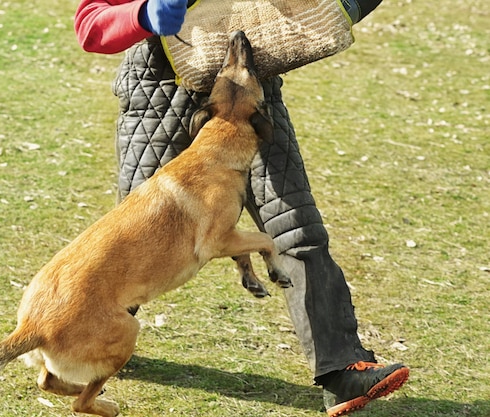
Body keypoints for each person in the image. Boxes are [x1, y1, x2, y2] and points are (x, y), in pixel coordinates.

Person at [74, 0, 409, 415]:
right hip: (158, 96)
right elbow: (89, 26)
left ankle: (342, 371)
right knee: (133, 237)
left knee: (295, 230)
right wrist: (144, 13)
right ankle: (83, 342)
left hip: (250, 101)